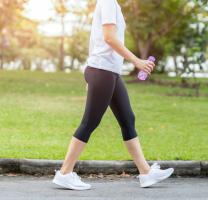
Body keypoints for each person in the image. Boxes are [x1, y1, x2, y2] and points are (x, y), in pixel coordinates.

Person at [52, 0, 174, 190]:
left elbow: (97, 39)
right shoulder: (108, 2)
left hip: (107, 72)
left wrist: (91, 76)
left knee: (127, 119)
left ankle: (146, 173)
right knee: (89, 122)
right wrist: (136, 61)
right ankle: (65, 173)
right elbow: (109, 37)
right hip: (103, 71)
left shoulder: (112, 4)